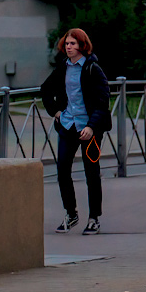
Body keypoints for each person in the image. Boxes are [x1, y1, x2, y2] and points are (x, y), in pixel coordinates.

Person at [40, 29, 111, 234]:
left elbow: (103, 100)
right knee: (62, 170)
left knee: (91, 173)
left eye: (73, 43)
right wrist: (55, 112)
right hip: (68, 125)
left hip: (88, 128)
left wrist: (91, 126)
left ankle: (94, 218)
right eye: (67, 44)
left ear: (82, 45)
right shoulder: (63, 67)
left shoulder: (92, 69)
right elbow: (45, 89)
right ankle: (71, 214)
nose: (69, 47)